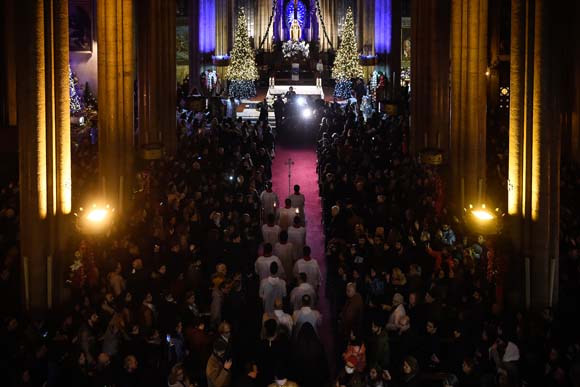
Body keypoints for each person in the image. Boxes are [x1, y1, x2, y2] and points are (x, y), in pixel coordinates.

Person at [291, 322, 329, 387]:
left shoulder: (297, 346)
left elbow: (294, 365)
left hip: (301, 379)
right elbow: (323, 363)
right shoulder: (318, 345)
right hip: (316, 378)